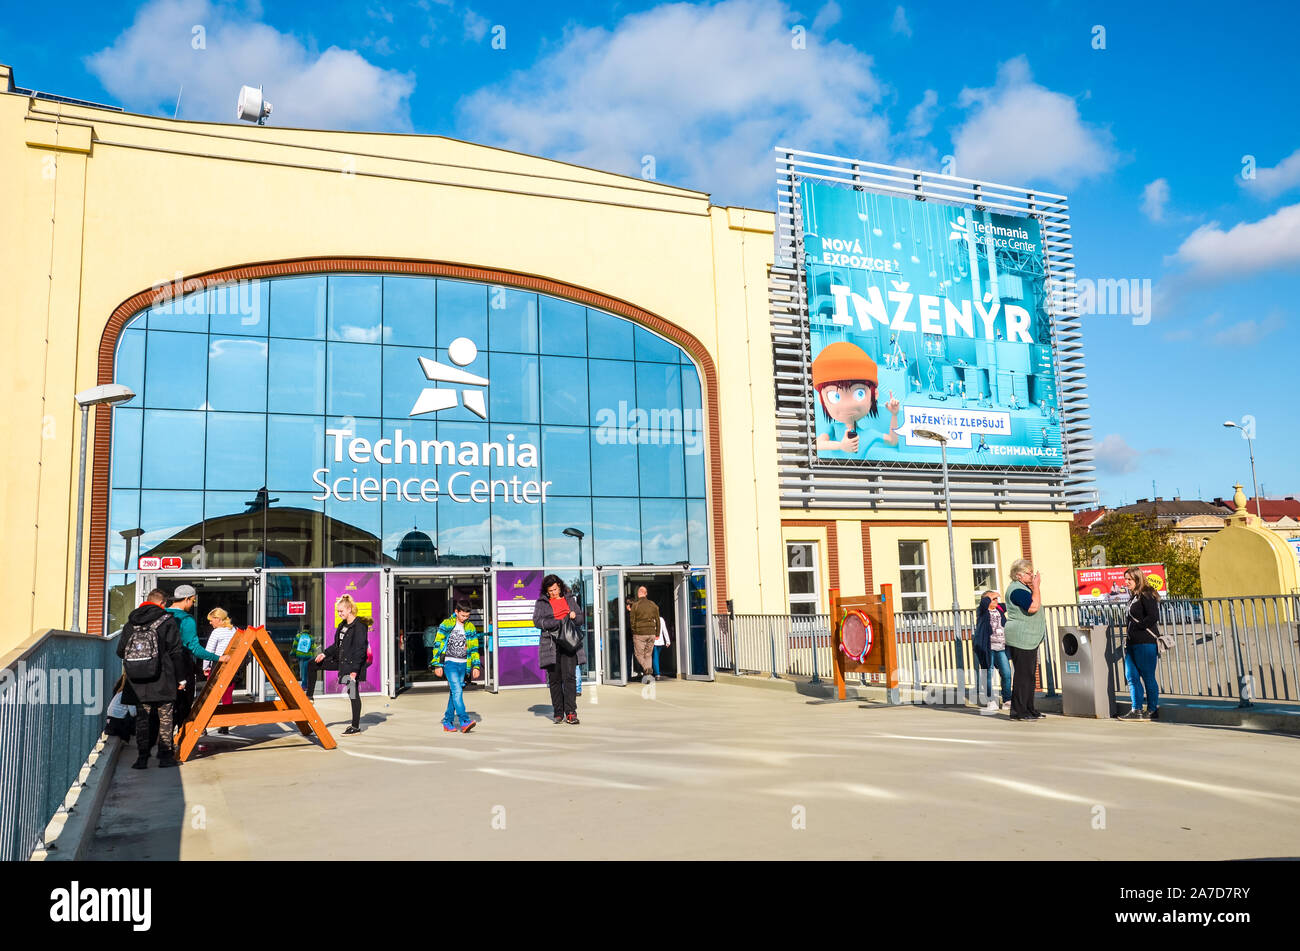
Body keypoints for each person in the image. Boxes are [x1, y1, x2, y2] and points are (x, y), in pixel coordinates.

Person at [116, 590, 188, 768]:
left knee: (143, 718)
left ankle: (142, 758)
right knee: (165, 718)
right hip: (163, 678)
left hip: (137, 681)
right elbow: (176, 652)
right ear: (162, 603)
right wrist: (181, 679)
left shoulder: (131, 623)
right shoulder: (167, 621)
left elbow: (120, 651)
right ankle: (165, 757)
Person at [306, 594, 370, 735]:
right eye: (338, 611)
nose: (339, 614)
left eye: (341, 611)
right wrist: (324, 654)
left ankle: (355, 726)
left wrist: (354, 672)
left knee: (352, 693)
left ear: (349, 609)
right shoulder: (342, 625)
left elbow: (361, 650)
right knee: (312, 664)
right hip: (340, 660)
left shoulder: (359, 626)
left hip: (352, 664)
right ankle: (309, 697)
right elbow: (337, 645)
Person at [167, 584, 221, 732]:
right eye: (193, 601)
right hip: (182, 667)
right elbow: (195, 648)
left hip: (163, 668)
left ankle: (164, 744)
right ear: (186, 599)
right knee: (183, 706)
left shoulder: (161, 614)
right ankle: (180, 741)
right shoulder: (186, 619)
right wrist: (218, 657)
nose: (192, 604)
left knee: (166, 708)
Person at [534, 575, 586, 724]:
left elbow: (581, 619)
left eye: (555, 589)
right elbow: (537, 621)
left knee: (569, 678)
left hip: (569, 642)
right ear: (546, 590)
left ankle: (570, 712)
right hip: (551, 644)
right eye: (550, 591)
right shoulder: (541, 603)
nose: (554, 593)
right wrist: (556, 622)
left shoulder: (570, 599)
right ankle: (558, 712)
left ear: (560, 586)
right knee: (555, 679)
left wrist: (575, 617)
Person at [429, 599, 482, 733]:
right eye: (463, 615)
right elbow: (437, 645)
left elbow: (474, 649)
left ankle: (447, 721)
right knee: (457, 691)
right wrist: (437, 664)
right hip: (450, 663)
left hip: (464, 664)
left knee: (454, 693)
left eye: (467, 616)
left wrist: (476, 666)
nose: (465, 618)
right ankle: (464, 721)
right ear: (456, 612)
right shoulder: (446, 624)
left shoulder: (470, 627)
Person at [1002, 560, 1046, 721]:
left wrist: (1034, 587)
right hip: (1021, 636)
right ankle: (1018, 712)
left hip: (1028, 637)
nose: (1032, 575)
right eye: (1029, 573)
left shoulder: (1024, 588)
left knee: (1029, 675)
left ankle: (1029, 709)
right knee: (1022, 675)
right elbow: (1032, 607)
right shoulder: (1016, 590)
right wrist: (1037, 586)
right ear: (1018, 575)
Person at [1121, 566, 1163, 721]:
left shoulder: (1146, 594)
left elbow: (1153, 616)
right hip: (1132, 643)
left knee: (1147, 676)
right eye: (1125, 579)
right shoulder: (1133, 597)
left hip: (1145, 643)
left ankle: (1152, 709)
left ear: (1137, 579)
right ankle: (1136, 709)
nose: (1126, 582)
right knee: (1131, 676)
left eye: (1129, 579)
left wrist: (1138, 628)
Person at [974, 590, 1011, 713]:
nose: (996, 601)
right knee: (988, 674)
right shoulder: (982, 611)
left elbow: (1010, 604)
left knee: (1006, 673)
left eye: (996, 599)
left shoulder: (999, 609)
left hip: (1001, 647)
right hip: (987, 648)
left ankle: (1007, 700)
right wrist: (990, 596)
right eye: (993, 599)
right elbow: (984, 603)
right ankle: (990, 700)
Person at [204, 607, 238, 734]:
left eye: (211, 620)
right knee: (227, 697)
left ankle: (202, 726)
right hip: (231, 667)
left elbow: (209, 651)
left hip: (218, 667)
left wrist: (205, 667)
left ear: (218, 619)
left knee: (210, 697)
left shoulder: (217, 632)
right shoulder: (234, 630)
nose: (210, 623)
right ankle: (225, 725)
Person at [627, 586, 660, 684]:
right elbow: (658, 620)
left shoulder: (635, 606)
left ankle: (646, 668)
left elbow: (632, 621)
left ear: (638, 593)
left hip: (640, 633)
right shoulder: (653, 605)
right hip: (651, 633)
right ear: (646, 593)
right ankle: (648, 678)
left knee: (638, 654)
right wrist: (657, 633)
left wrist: (634, 632)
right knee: (648, 655)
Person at [653, 614, 671, 678]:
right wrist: (668, 641)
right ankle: (656, 672)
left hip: (654, 642)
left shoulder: (650, 620)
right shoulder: (661, 619)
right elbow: (664, 630)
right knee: (656, 657)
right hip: (660, 642)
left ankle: (657, 673)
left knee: (655, 658)